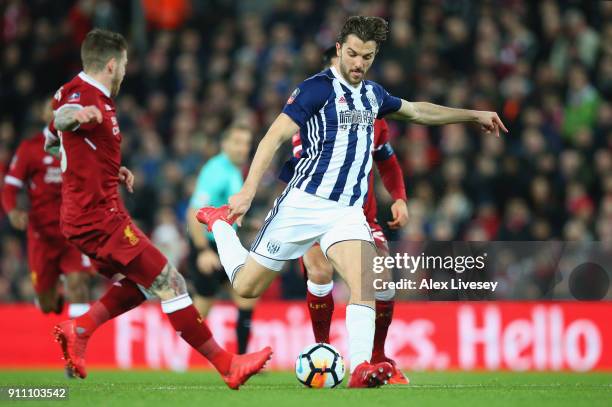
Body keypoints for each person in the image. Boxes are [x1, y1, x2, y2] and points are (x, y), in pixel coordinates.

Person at [196, 16, 507, 388]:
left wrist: (472, 115)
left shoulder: (374, 95)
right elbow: (273, 137)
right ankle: (219, 224)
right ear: (340, 49)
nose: (360, 63)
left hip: (346, 212)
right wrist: (247, 191)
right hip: (302, 204)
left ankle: (360, 368)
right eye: (354, 54)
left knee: (367, 279)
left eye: (368, 57)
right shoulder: (315, 89)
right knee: (245, 287)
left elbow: (418, 111)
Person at [48, 28, 271, 389]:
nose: (125, 71)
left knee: (143, 284)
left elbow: (51, 143)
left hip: (87, 215)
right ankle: (227, 365)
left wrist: (104, 168)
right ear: (110, 64)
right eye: (123, 64)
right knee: (172, 281)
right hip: (99, 218)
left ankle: (81, 328)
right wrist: (78, 116)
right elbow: (62, 121)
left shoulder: (84, 95)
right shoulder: (83, 96)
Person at [291, 46, 409, 384]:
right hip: (315, 212)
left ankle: (378, 358)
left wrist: (399, 197)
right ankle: (323, 350)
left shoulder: (372, 113)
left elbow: (386, 159)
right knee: (319, 268)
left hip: (361, 216)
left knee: (381, 277)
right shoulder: (311, 116)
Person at [2, 100, 92, 321]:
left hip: (73, 231)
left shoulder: (81, 146)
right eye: (53, 110)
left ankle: (81, 341)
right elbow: (10, 187)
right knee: (46, 304)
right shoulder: (30, 148)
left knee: (78, 283)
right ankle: (54, 294)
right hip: (42, 235)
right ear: (45, 116)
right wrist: (13, 211)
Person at [186, 124, 257, 354]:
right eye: (237, 142)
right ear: (224, 144)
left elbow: (226, 211)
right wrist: (202, 250)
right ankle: (175, 356)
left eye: (246, 143)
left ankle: (244, 356)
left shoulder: (234, 171)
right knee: (202, 308)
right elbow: (193, 210)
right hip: (209, 247)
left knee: (246, 295)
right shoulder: (216, 170)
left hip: (226, 245)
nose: (242, 148)